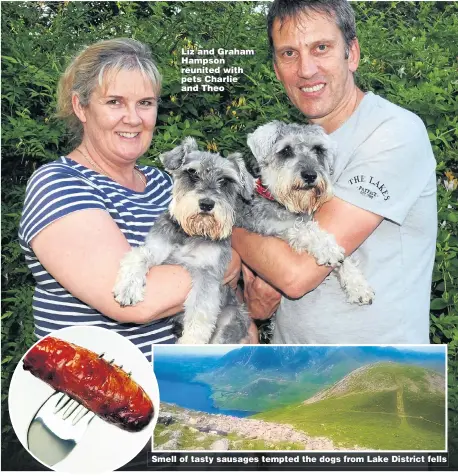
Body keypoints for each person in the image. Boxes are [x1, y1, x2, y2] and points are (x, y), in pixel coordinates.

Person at [18, 38, 244, 359]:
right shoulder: (58, 184)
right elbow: (139, 301)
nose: (134, 118)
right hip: (91, 394)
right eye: (114, 102)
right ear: (81, 107)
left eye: (145, 103)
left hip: (175, 389)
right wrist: (226, 262)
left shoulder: (163, 183)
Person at [232, 0, 437, 344]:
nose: (306, 69)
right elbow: (265, 283)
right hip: (292, 365)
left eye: (321, 48)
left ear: (352, 53)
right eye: (289, 54)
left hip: (383, 375)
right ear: (276, 68)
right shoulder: (290, 149)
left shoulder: (393, 132)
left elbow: (296, 274)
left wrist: (226, 221)